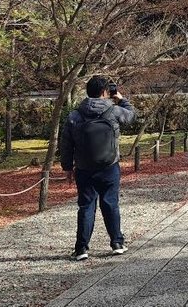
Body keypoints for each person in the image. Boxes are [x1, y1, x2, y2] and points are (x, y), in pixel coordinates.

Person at [59, 75, 136, 261]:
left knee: (86, 206)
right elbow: (132, 116)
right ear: (104, 92)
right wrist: (122, 99)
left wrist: (67, 167)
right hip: (109, 166)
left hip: (84, 168)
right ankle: (117, 243)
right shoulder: (113, 111)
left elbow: (66, 144)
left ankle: (81, 249)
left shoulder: (75, 115)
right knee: (110, 203)